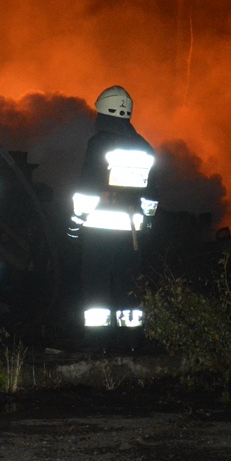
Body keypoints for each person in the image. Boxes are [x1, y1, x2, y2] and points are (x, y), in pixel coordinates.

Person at [67, 85, 159, 340]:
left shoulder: (99, 144)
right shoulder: (144, 147)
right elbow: (152, 196)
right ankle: (131, 340)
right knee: (128, 286)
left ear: (105, 113)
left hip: (99, 231)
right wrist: (147, 225)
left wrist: (75, 225)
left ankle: (99, 342)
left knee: (96, 284)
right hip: (131, 234)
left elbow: (87, 189)